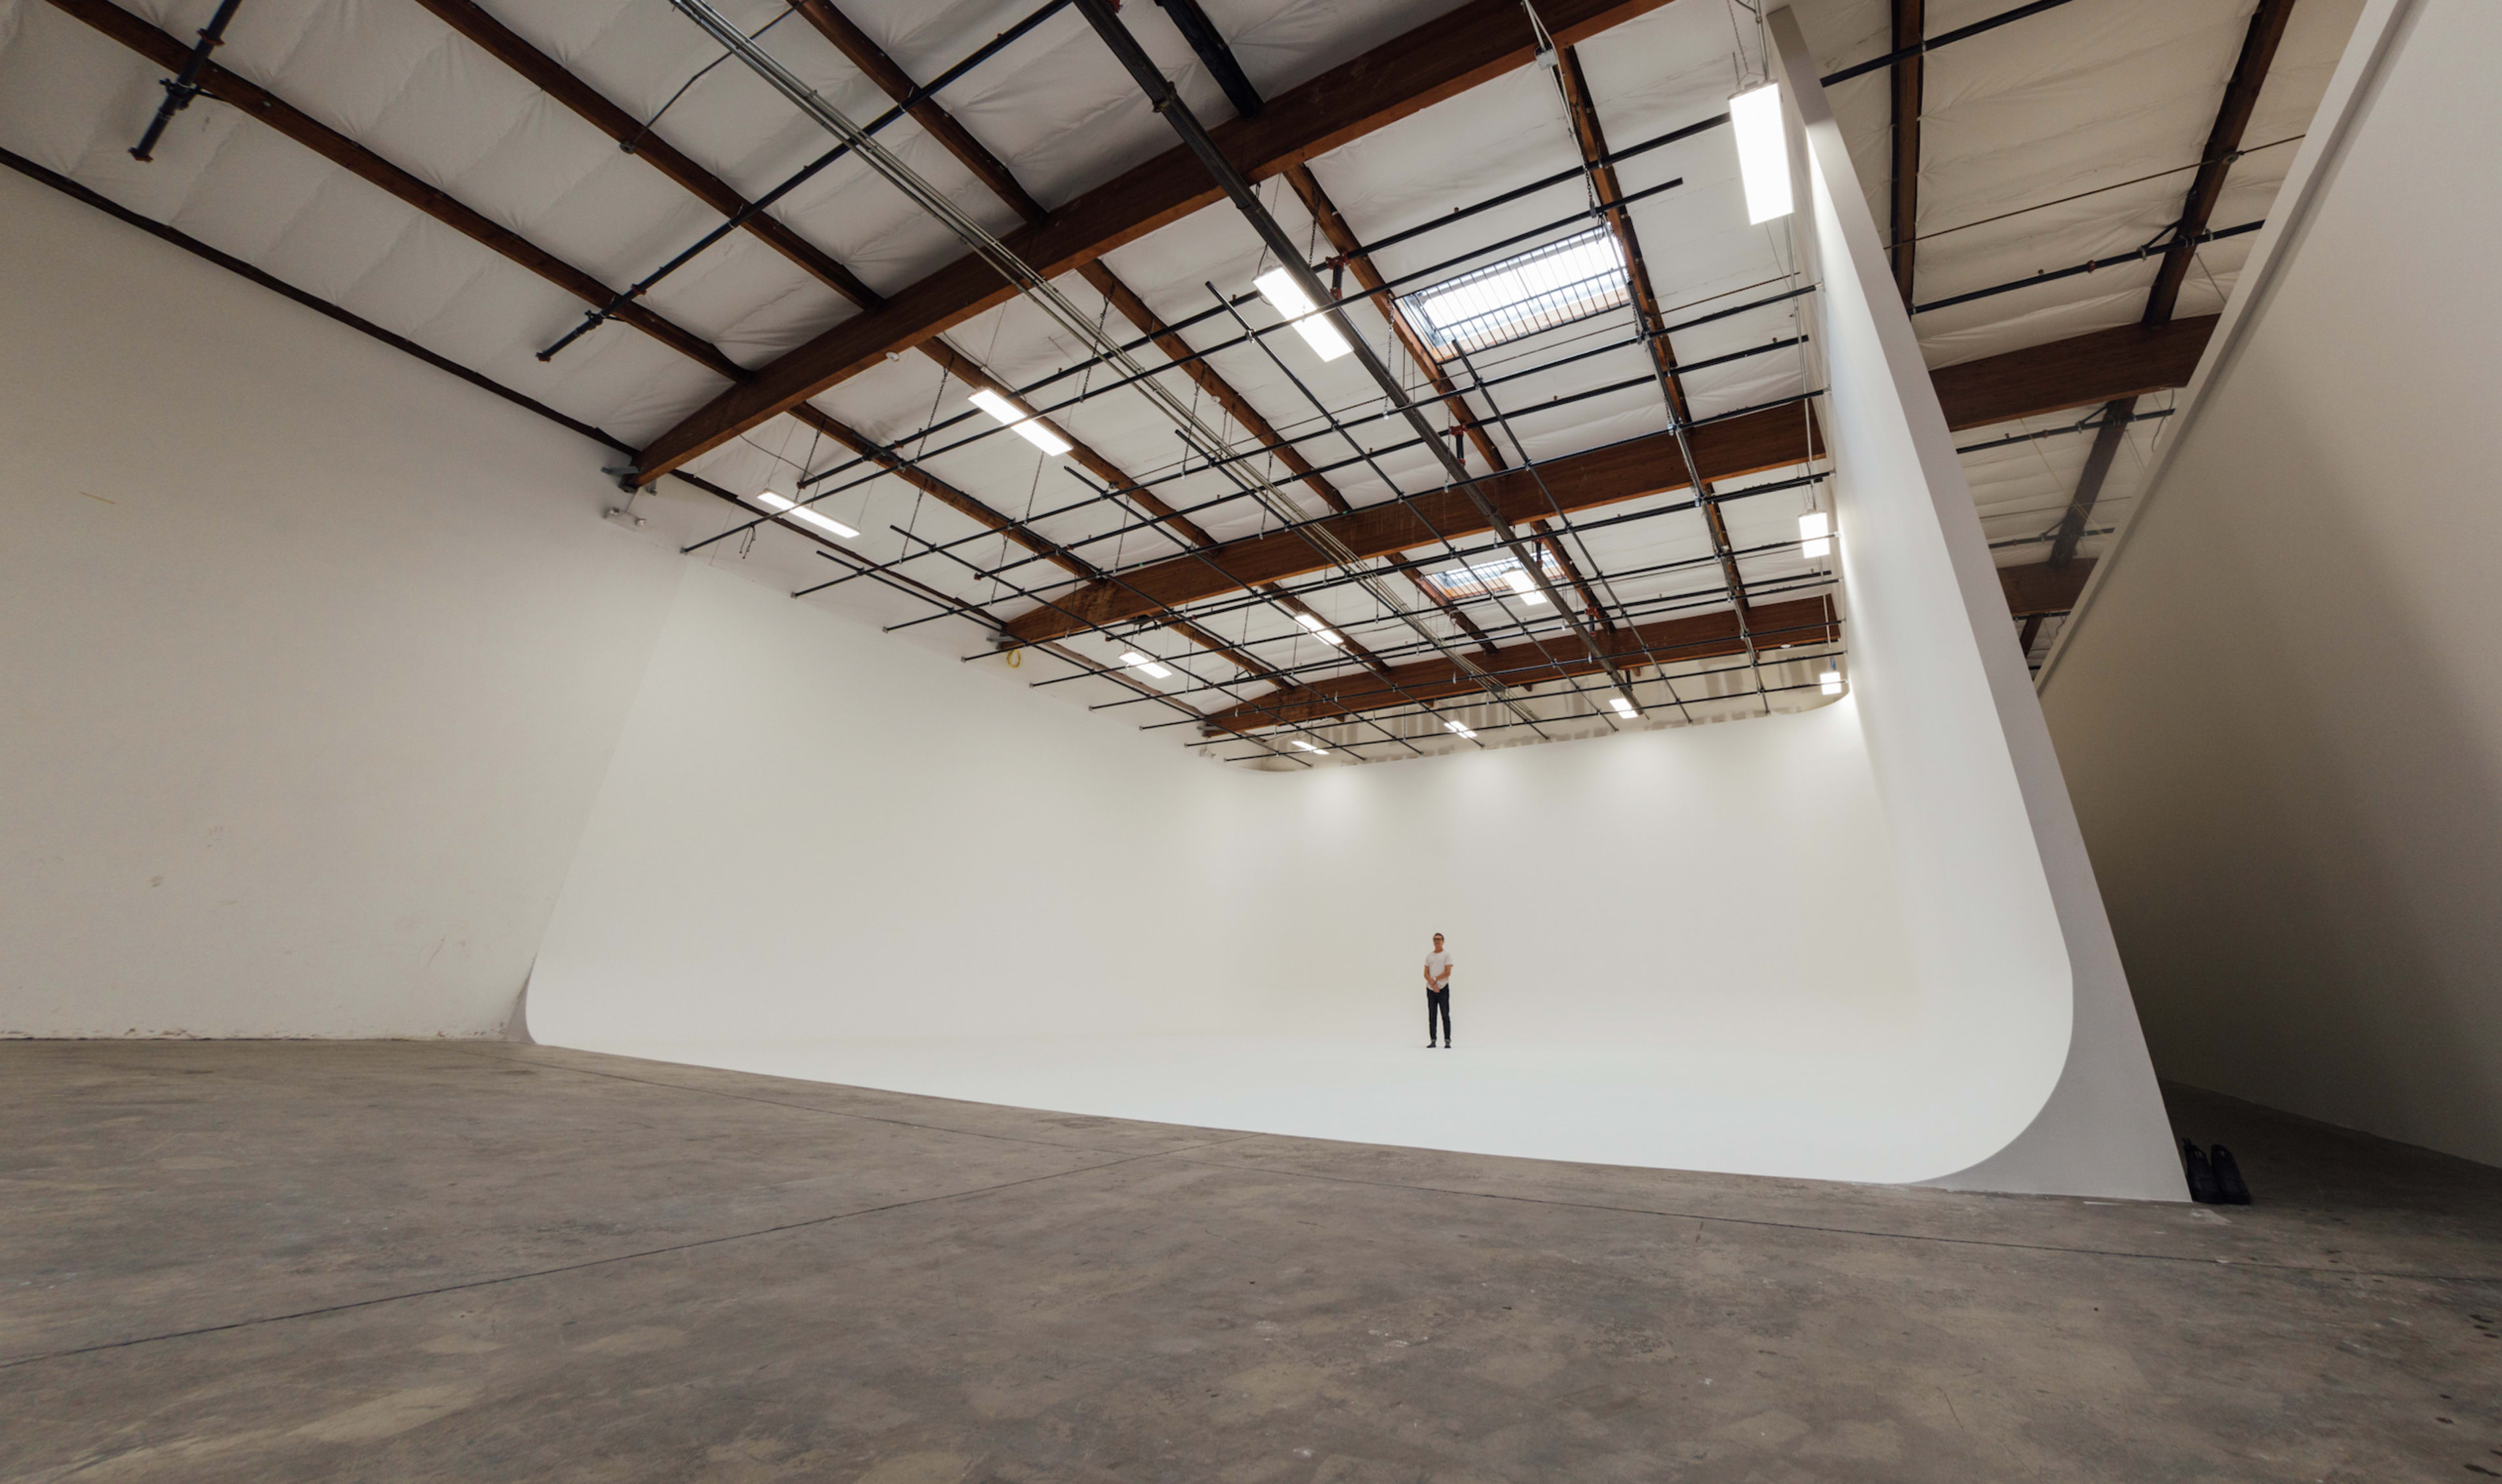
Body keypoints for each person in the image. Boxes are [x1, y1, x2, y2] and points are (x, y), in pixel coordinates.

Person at [1422, 933, 1453, 1048]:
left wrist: (1435, 980)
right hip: (1431, 989)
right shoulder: (1429, 956)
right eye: (1435, 939)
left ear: (1443, 941)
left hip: (1443, 988)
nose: (1437, 941)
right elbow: (1426, 973)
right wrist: (1433, 984)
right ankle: (1433, 1040)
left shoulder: (1447, 955)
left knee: (1445, 1014)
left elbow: (1448, 972)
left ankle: (1447, 1040)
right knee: (1432, 1015)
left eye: (1439, 939)